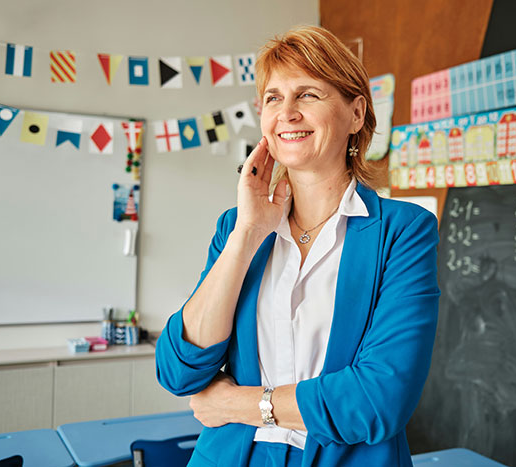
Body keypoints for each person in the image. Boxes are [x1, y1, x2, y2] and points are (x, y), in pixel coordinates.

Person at [156, 25, 440, 467]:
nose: (286, 112)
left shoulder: (403, 232)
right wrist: (248, 233)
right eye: (273, 97)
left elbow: (377, 399)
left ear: (356, 114)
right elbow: (178, 371)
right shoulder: (236, 227)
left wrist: (234, 404)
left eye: (308, 94)